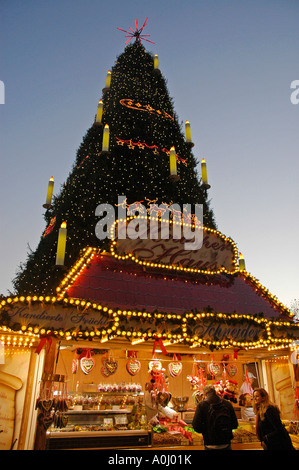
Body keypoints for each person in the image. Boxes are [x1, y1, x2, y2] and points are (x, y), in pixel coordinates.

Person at [192, 384, 238, 450]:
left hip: (210, 444)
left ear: (205, 394)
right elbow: (235, 425)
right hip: (226, 444)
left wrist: (206, 431)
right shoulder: (227, 404)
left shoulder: (201, 405)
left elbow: (196, 427)